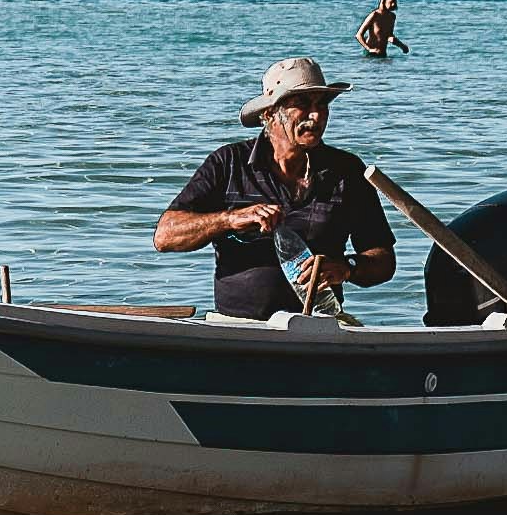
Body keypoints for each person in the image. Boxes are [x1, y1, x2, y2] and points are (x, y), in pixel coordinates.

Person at [158, 49, 399, 318]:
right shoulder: (228, 163)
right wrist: (229, 220)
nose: (317, 117)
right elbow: (165, 236)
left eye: (322, 105)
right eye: (304, 104)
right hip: (236, 328)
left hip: (321, 324)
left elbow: (384, 261)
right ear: (270, 114)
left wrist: (348, 267)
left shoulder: (347, 170)